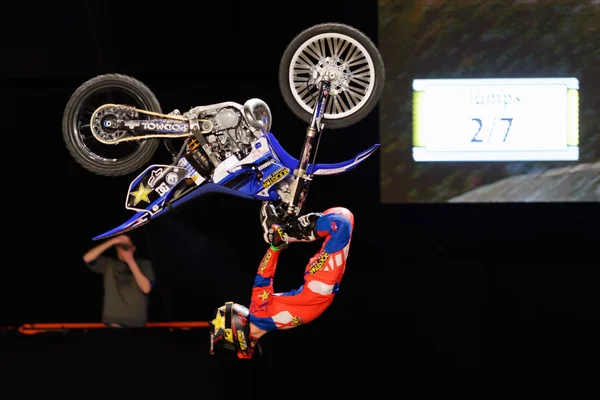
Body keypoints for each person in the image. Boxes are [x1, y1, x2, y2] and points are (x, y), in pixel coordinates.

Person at [209, 201, 354, 359]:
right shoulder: (259, 317)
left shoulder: (261, 318)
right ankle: (288, 233)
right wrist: (274, 248)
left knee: (341, 216)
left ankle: (289, 231)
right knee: (341, 221)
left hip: (321, 283)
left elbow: (263, 279)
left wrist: (274, 248)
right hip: (321, 283)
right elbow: (262, 277)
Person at [82, 234, 155, 328]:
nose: (123, 250)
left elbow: (146, 288)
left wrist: (130, 261)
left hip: (137, 323)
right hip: (114, 322)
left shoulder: (144, 264)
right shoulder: (109, 264)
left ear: (133, 248)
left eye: (127, 247)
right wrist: (114, 240)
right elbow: (87, 258)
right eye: (121, 247)